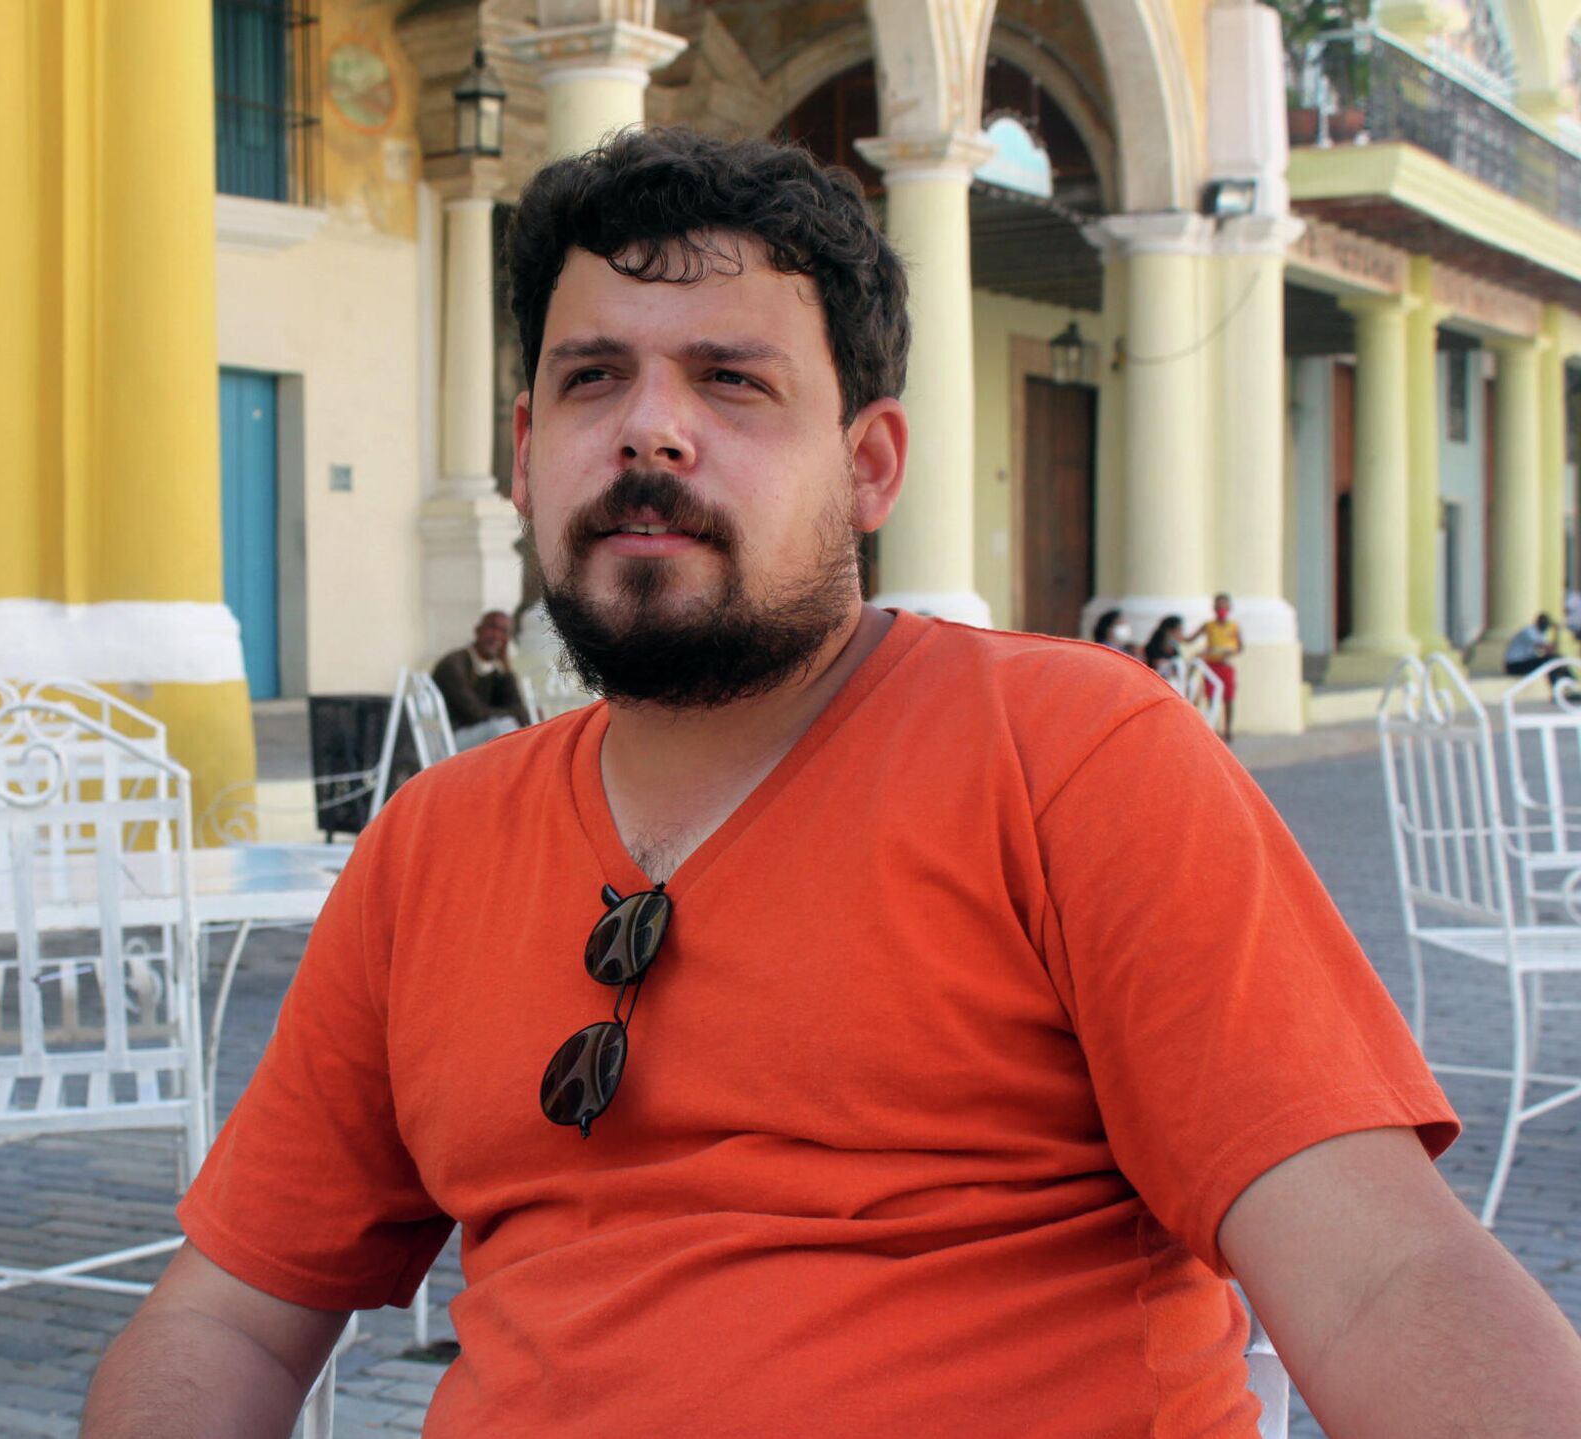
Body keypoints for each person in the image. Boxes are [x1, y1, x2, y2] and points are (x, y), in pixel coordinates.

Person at [83, 130, 1581, 1438]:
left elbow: (1385, 1276)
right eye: (593, 378)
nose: (650, 427)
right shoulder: (434, 843)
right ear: (529, 453)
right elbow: (228, 1317)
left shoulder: (1071, 756)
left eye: (732, 382)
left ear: (870, 465)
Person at [429, 610, 527, 748]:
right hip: (448, 740)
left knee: (514, 727)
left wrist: (506, 667)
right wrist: (512, 714)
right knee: (501, 728)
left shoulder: (493, 670)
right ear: (478, 630)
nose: (497, 636)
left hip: (473, 735)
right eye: (492, 627)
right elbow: (475, 714)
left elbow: (519, 710)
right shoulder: (454, 664)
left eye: (504, 632)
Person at [1187, 594, 1243, 740]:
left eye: (1223, 605)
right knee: (1211, 697)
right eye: (1218, 606)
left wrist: (1229, 652)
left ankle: (1228, 729)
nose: (1221, 609)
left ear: (1229, 607)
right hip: (1211, 666)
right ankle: (1213, 728)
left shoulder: (1234, 626)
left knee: (1228, 698)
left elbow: (1240, 647)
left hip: (1225, 665)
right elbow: (1190, 639)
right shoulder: (1208, 626)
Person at [1142, 612, 1185, 680]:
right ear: (1169, 631)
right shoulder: (1153, 648)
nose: (1182, 633)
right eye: (1179, 629)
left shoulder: (1174, 647)